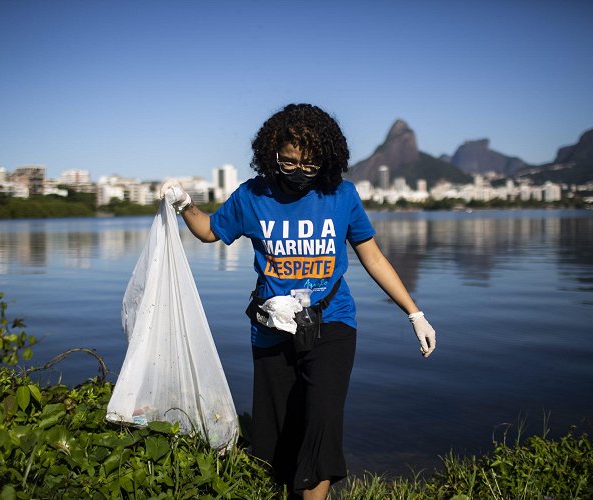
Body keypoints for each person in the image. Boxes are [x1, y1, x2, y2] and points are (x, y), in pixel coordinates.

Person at [160, 103, 436, 499]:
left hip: (332, 322)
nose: (299, 173)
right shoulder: (252, 196)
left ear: (326, 159)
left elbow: (372, 257)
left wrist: (415, 314)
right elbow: (209, 232)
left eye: (310, 165)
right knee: (281, 436)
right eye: (288, 163)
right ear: (272, 154)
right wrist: (185, 204)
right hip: (272, 329)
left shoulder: (341, 195)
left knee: (320, 423)